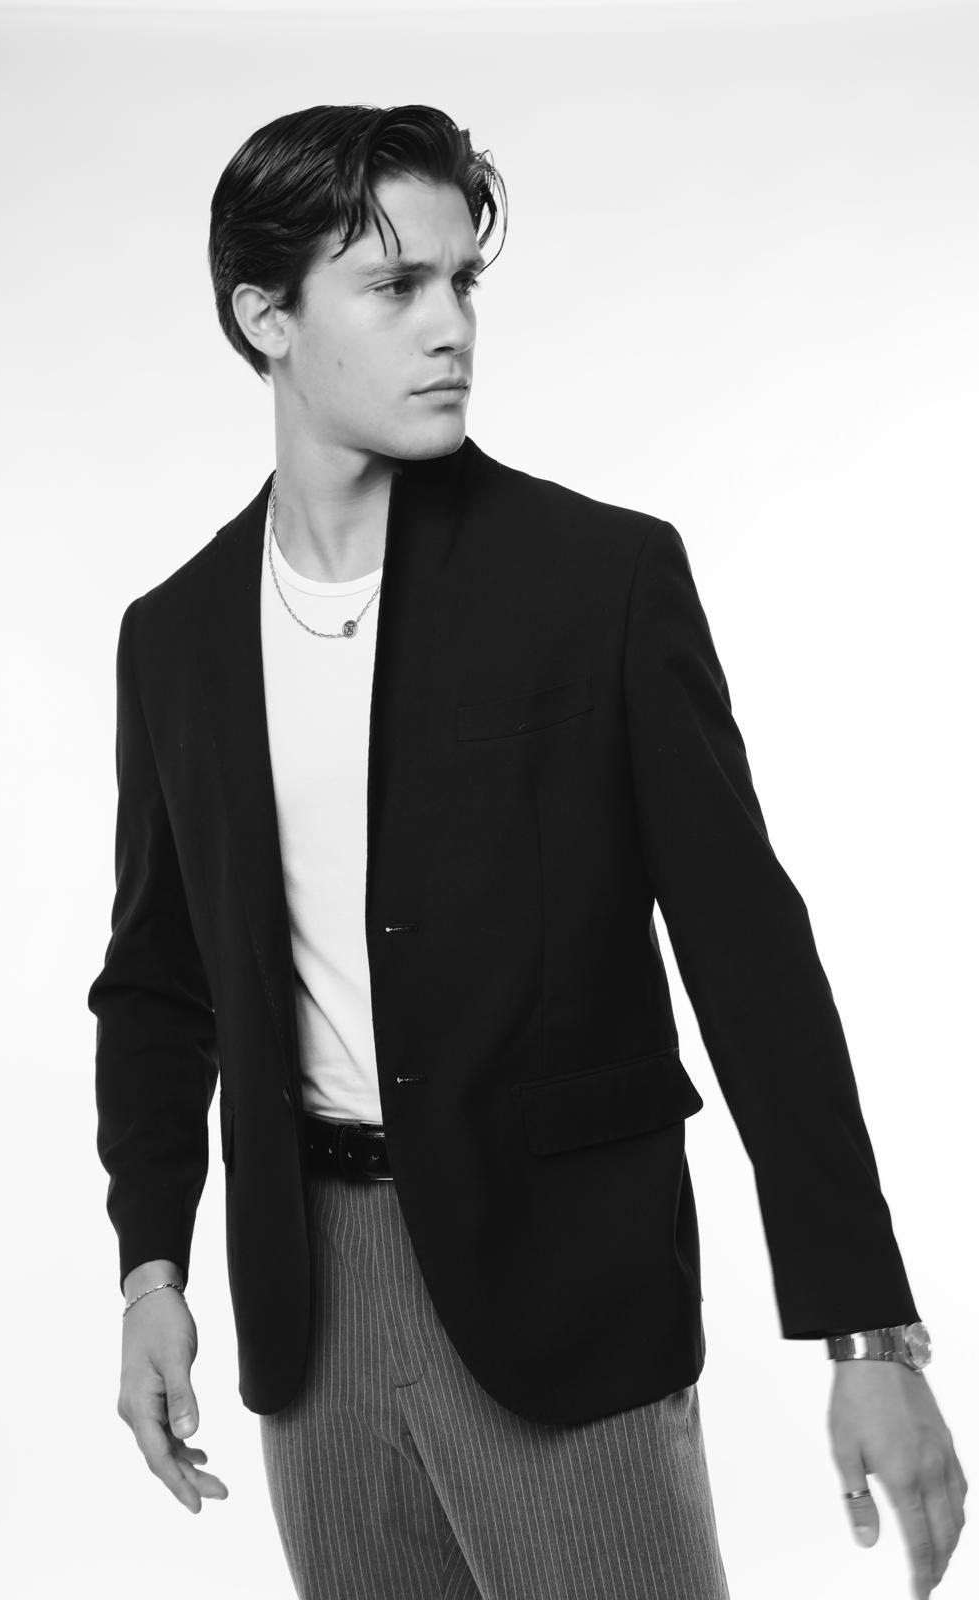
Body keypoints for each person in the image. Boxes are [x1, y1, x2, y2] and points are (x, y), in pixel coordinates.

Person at [88, 103, 966, 1599]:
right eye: (393, 286)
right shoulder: (175, 637)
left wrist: (866, 1331)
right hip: (310, 1310)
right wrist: (150, 1269)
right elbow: (158, 983)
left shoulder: (597, 578)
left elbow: (748, 954)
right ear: (265, 317)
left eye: (462, 282)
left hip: (563, 1286)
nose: (450, 328)